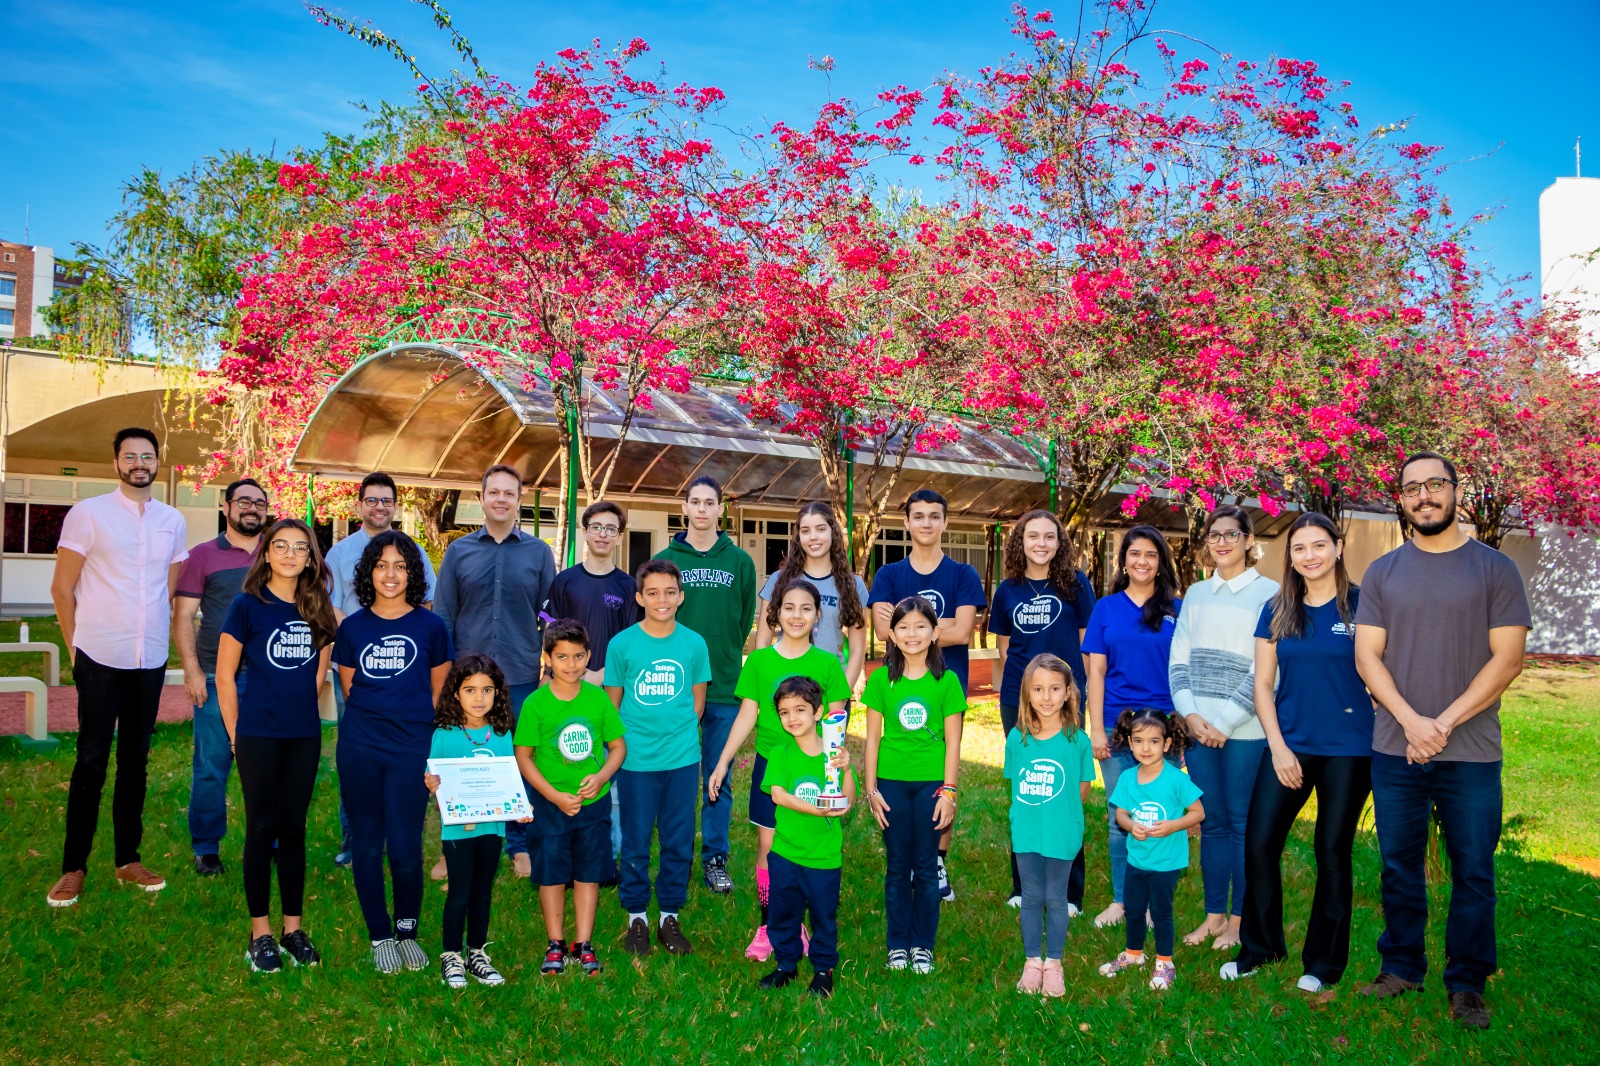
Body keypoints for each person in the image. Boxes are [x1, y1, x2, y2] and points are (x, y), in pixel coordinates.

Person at [1353, 451, 1530, 1030]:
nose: (1424, 496)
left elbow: (1507, 661)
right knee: (1398, 866)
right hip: (1395, 745)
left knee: (1474, 869)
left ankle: (1468, 982)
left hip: (1471, 753)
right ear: (1400, 499)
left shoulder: (1494, 569)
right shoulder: (1382, 573)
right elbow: (1366, 656)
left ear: (1456, 492)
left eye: (1435, 485)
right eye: (1411, 488)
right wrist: (1410, 721)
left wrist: (1441, 724)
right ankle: (1401, 966)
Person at [1221, 513, 1374, 993]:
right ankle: (1261, 949)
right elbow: (1262, 685)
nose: (1309, 556)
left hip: (1350, 751)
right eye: (1299, 548)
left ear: (1338, 547)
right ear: (1290, 557)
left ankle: (1323, 965)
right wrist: (1280, 748)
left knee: (1331, 851)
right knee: (1260, 843)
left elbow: (1380, 673)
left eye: (1318, 545)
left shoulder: (1363, 605)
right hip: (1289, 746)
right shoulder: (1278, 608)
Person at [48, 428, 190, 908]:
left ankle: (128, 858)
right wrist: (75, 650)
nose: (138, 463)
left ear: (157, 462)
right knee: (90, 761)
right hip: (99, 655)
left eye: (146, 456)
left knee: (135, 762)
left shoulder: (172, 520)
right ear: (116, 463)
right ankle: (73, 866)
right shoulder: (88, 514)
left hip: (147, 657)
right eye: (129, 456)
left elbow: (167, 591)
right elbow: (61, 589)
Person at [215, 518, 337, 972]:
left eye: (299, 547)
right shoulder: (247, 606)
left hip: (302, 735)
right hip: (257, 735)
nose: (289, 554)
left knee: (294, 830)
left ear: (310, 557)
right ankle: (260, 933)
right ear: (266, 553)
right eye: (280, 546)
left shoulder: (318, 606)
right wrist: (235, 734)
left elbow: (318, 675)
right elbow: (225, 675)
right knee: (261, 829)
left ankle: (292, 929)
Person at [708, 579, 850, 961]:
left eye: (806, 608)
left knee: (806, 848)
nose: (797, 615)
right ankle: (770, 924)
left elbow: (836, 720)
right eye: (789, 607)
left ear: (818, 616)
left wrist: (836, 770)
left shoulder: (826, 664)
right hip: (773, 768)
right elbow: (747, 714)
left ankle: (800, 921)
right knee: (769, 849)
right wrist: (722, 761)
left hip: (814, 771)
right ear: (776, 613)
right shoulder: (759, 661)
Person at [333, 530, 454, 974]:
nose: (391, 574)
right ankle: (380, 934)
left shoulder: (431, 626)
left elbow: (440, 694)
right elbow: (351, 688)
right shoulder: (353, 627)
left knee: (404, 846)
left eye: (400, 565)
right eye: (382, 565)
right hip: (361, 746)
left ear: (413, 573)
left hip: (412, 748)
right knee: (367, 842)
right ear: (368, 572)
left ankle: (406, 930)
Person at [435, 463, 555, 878]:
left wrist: (549, 667)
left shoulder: (539, 553)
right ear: (481, 498)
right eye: (494, 492)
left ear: (519, 500)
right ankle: (453, 842)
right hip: (467, 678)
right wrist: (447, 674)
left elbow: (548, 617)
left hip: (521, 672)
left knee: (517, 758)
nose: (501, 499)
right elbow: (444, 613)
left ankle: (518, 843)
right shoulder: (459, 551)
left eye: (510, 493)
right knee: (460, 757)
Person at [1168, 506, 1279, 951]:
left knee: (1241, 824)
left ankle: (1239, 922)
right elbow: (1179, 657)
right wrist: (1192, 717)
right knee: (1210, 824)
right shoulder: (1196, 593)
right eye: (1214, 535)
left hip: (1247, 730)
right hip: (1198, 730)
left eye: (1231, 534)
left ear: (1249, 541)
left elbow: (1267, 668)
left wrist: (1226, 722)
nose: (1221, 542)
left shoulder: (1271, 593)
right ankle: (1214, 915)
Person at [867, 489, 986, 903]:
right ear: (907, 523)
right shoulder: (888, 574)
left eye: (934, 517)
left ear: (945, 523)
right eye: (918, 516)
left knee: (942, 768)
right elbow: (882, 632)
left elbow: (963, 631)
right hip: (899, 686)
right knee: (899, 762)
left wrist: (908, 626)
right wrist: (942, 624)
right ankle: (902, 854)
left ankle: (936, 859)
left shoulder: (963, 575)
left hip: (944, 683)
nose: (926, 524)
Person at [325, 471, 437, 868]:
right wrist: (361, 635)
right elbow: (330, 606)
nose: (379, 506)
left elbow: (425, 604)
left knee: (408, 757)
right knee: (356, 755)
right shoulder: (338, 555)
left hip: (405, 668)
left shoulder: (415, 551)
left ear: (395, 505)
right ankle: (356, 840)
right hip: (356, 666)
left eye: (386, 500)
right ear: (359, 505)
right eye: (371, 500)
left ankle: (400, 840)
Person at [990, 509, 1097, 909]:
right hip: (1020, 702)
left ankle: (1070, 892)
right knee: (1029, 790)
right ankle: (1023, 886)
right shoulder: (1008, 590)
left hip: (1065, 699)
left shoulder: (1076, 584)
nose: (1041, 544)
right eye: (1032, 536)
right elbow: (1004, 649)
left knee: (1065, 792)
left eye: (1049, 537)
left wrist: (1075, 694)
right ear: (1020, 542)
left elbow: (1087, 645)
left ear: (1060, 543)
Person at [604, 559, 712, 956]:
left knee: (678, 839)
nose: (661, 599)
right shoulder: (622, 645)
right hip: (634, 762)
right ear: (639, 597)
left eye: (670, 592)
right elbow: (612, 709)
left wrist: (676, 738)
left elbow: (697, 705)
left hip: (682, 759)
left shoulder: (694, 644)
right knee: (635, 839)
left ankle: (669, 914)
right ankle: (636, 917)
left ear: (681, 597)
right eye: (652, 592)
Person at [654, 475, 756, 894]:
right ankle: (672, 852)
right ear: (685, 509)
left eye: (708, 502)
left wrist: (727, 652)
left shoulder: (740, 562)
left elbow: (745, 616)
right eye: (693, 501)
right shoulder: (666, 557)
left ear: (720, 509)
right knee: (669, 773)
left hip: (725, 685)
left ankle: (715, 857)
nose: (700, 509)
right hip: (674, 685)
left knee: (719, 774)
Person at [1081, 525, 1183, 929]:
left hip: (1165, 725)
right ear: (1123, 560)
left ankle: (1155, 901)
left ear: (1161, 562)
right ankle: (1123, 901)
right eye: (1134, 553)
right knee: (1121, 815)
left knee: (1161, 812)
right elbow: (1096, 672)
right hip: (1117, 725)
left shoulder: (1177, 608)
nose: (1142, 561)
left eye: (1151, 555)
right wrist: (1097, 729)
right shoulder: (1106, 608)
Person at [515, 621, 626, 977]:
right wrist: (553, 796)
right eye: (562, 657)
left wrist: (602, 776)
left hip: (592, 806)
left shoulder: (597, 699)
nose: (571, 664)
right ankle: (555, 943)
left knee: (587, 874)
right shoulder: (536, 704)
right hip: (551, 806)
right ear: (547, 658)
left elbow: (617, 748)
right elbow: (524, 756)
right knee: (551, 874)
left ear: (589, 656)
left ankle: (583, 943)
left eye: (579, 656)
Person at [861, 595, 966, 975]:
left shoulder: (947, 681)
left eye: (921, 626)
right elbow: (872, 739)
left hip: (931, 786)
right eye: (903, 627)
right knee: (896, 866)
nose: (912, 634)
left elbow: (954, 741)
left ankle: (922, 945)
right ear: (891, 633)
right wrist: (871, 790)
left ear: (935, 633)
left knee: (925, 867)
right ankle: (897, 946)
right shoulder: (880, 680)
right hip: (890, 784)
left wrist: (949, 791)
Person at [174, 477, 268, 877]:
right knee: (212, 766)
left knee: (268, 765)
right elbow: (182, 617)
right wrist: (192, 670)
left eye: (259, 503)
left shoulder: (279, 551)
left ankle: (271, 840)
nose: (251, 508)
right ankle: (206, 847)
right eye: (243, 501)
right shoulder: (202, 556)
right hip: (215, 677)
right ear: (226, 508)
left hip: (270, 680)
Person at [543, 500, 639, 865]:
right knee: (567, 765)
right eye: (596, 526)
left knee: (607, 778)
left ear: (619, 536)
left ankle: (607, 855)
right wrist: (558, 674)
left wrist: (604, 676)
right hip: (567, 690)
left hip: (609, 692)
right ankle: (564, 851)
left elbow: (633, 642)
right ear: (585, 531)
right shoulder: (564, 581)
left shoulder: (628, 586)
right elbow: (548, 631)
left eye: (610, 528)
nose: (602, 534)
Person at [425, 654, 524, 988]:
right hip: (457, 830)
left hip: (493, 829)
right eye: (470, 690)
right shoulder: (445, 735)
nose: (479, 698)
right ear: (456, 693)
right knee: (460, 894)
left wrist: (518, 805)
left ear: (498, 694)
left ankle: (476, 953)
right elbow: (433, 778)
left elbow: (508, 778)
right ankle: (451, 956)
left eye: (487, 690)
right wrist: (432, 783)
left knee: (483, 893)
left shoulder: (501, 734)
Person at [756, 676, 856, 999]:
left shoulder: (833, 755)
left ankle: (823, 969)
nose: (792, 718)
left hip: (823, 857)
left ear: (818, 713)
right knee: (783, 913)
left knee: (823, 916)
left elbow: (848, 799)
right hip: (785, 853)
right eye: (784, 712)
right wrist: (817, 810)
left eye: (800, 709)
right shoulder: (780, 753)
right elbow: (779, 795)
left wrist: (848, 767)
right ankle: (786, 963)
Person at [1006, 653, 1095, 998]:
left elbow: (1082, 787)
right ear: (1027, 693)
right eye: (1038, 689)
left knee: (1056, 898)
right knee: (1030, 897)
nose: (1046, 697)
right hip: (1027, 833)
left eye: (1055, 688)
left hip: (1062, 834)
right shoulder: (1018, 739)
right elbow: (1015, 782)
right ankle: (1032, 962)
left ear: (1069, 692)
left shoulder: (1078, 741)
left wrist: (1062, 816)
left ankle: (1054, 964)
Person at [1097, 709, 1205, 991]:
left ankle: (1165, 963)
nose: (1146, 748)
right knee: (1132, 909)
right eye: (1139, 741)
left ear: (1167, 744)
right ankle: (1133, 954)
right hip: (1137, 859)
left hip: (1166, 862)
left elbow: (1198, 813)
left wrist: (1173, 826)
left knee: (1160, 912)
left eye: (1154, 741)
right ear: (1130, 744)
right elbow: (1120, 814)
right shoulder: (1128, 779)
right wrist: (1130, 825)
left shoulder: (1176, 779)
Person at [755, 502, 870, 687]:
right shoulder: (779, 580)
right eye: (806, 530)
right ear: (798, 536)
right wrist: (771, 683)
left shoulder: (853, 585)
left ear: (833, 532)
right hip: (784, 686)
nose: (813, 537)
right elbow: (762, 641)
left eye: (821, 529)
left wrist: (841, 695)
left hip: (830, 686)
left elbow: (857, 650)